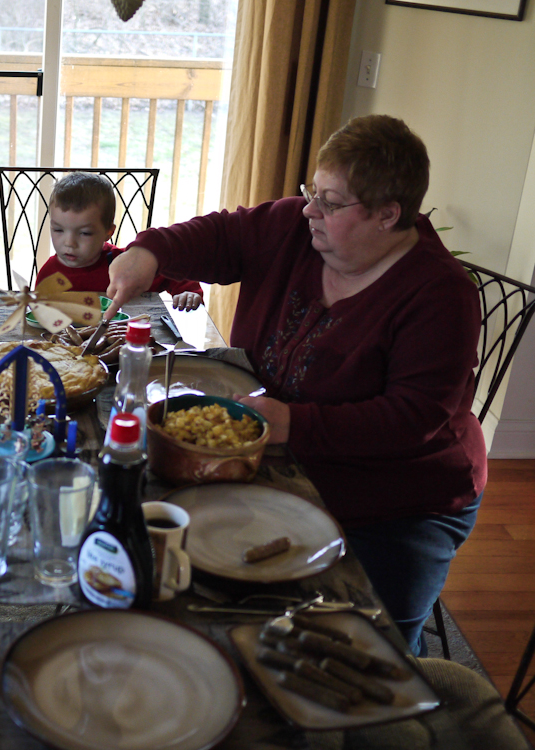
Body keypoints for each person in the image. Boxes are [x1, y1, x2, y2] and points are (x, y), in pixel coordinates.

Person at [105, 115, 486, 656]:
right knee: (210, 572)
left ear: (387, 215)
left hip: (399, 498)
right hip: (281, 456)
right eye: (312, 191)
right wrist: (151, 251)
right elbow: (223, 234)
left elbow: (413, 419)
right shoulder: (292, 228)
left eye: (330, 202)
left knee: (371, 645)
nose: (310, 209)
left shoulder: (440, 295)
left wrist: (291, 422)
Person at [33, 172, 203, 310]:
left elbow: (172, 272)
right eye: (58, 230)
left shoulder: (125, 266)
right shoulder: (49, 273)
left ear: (108, 232)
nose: (69, 242)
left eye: (84, 233)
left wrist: (188, 292)